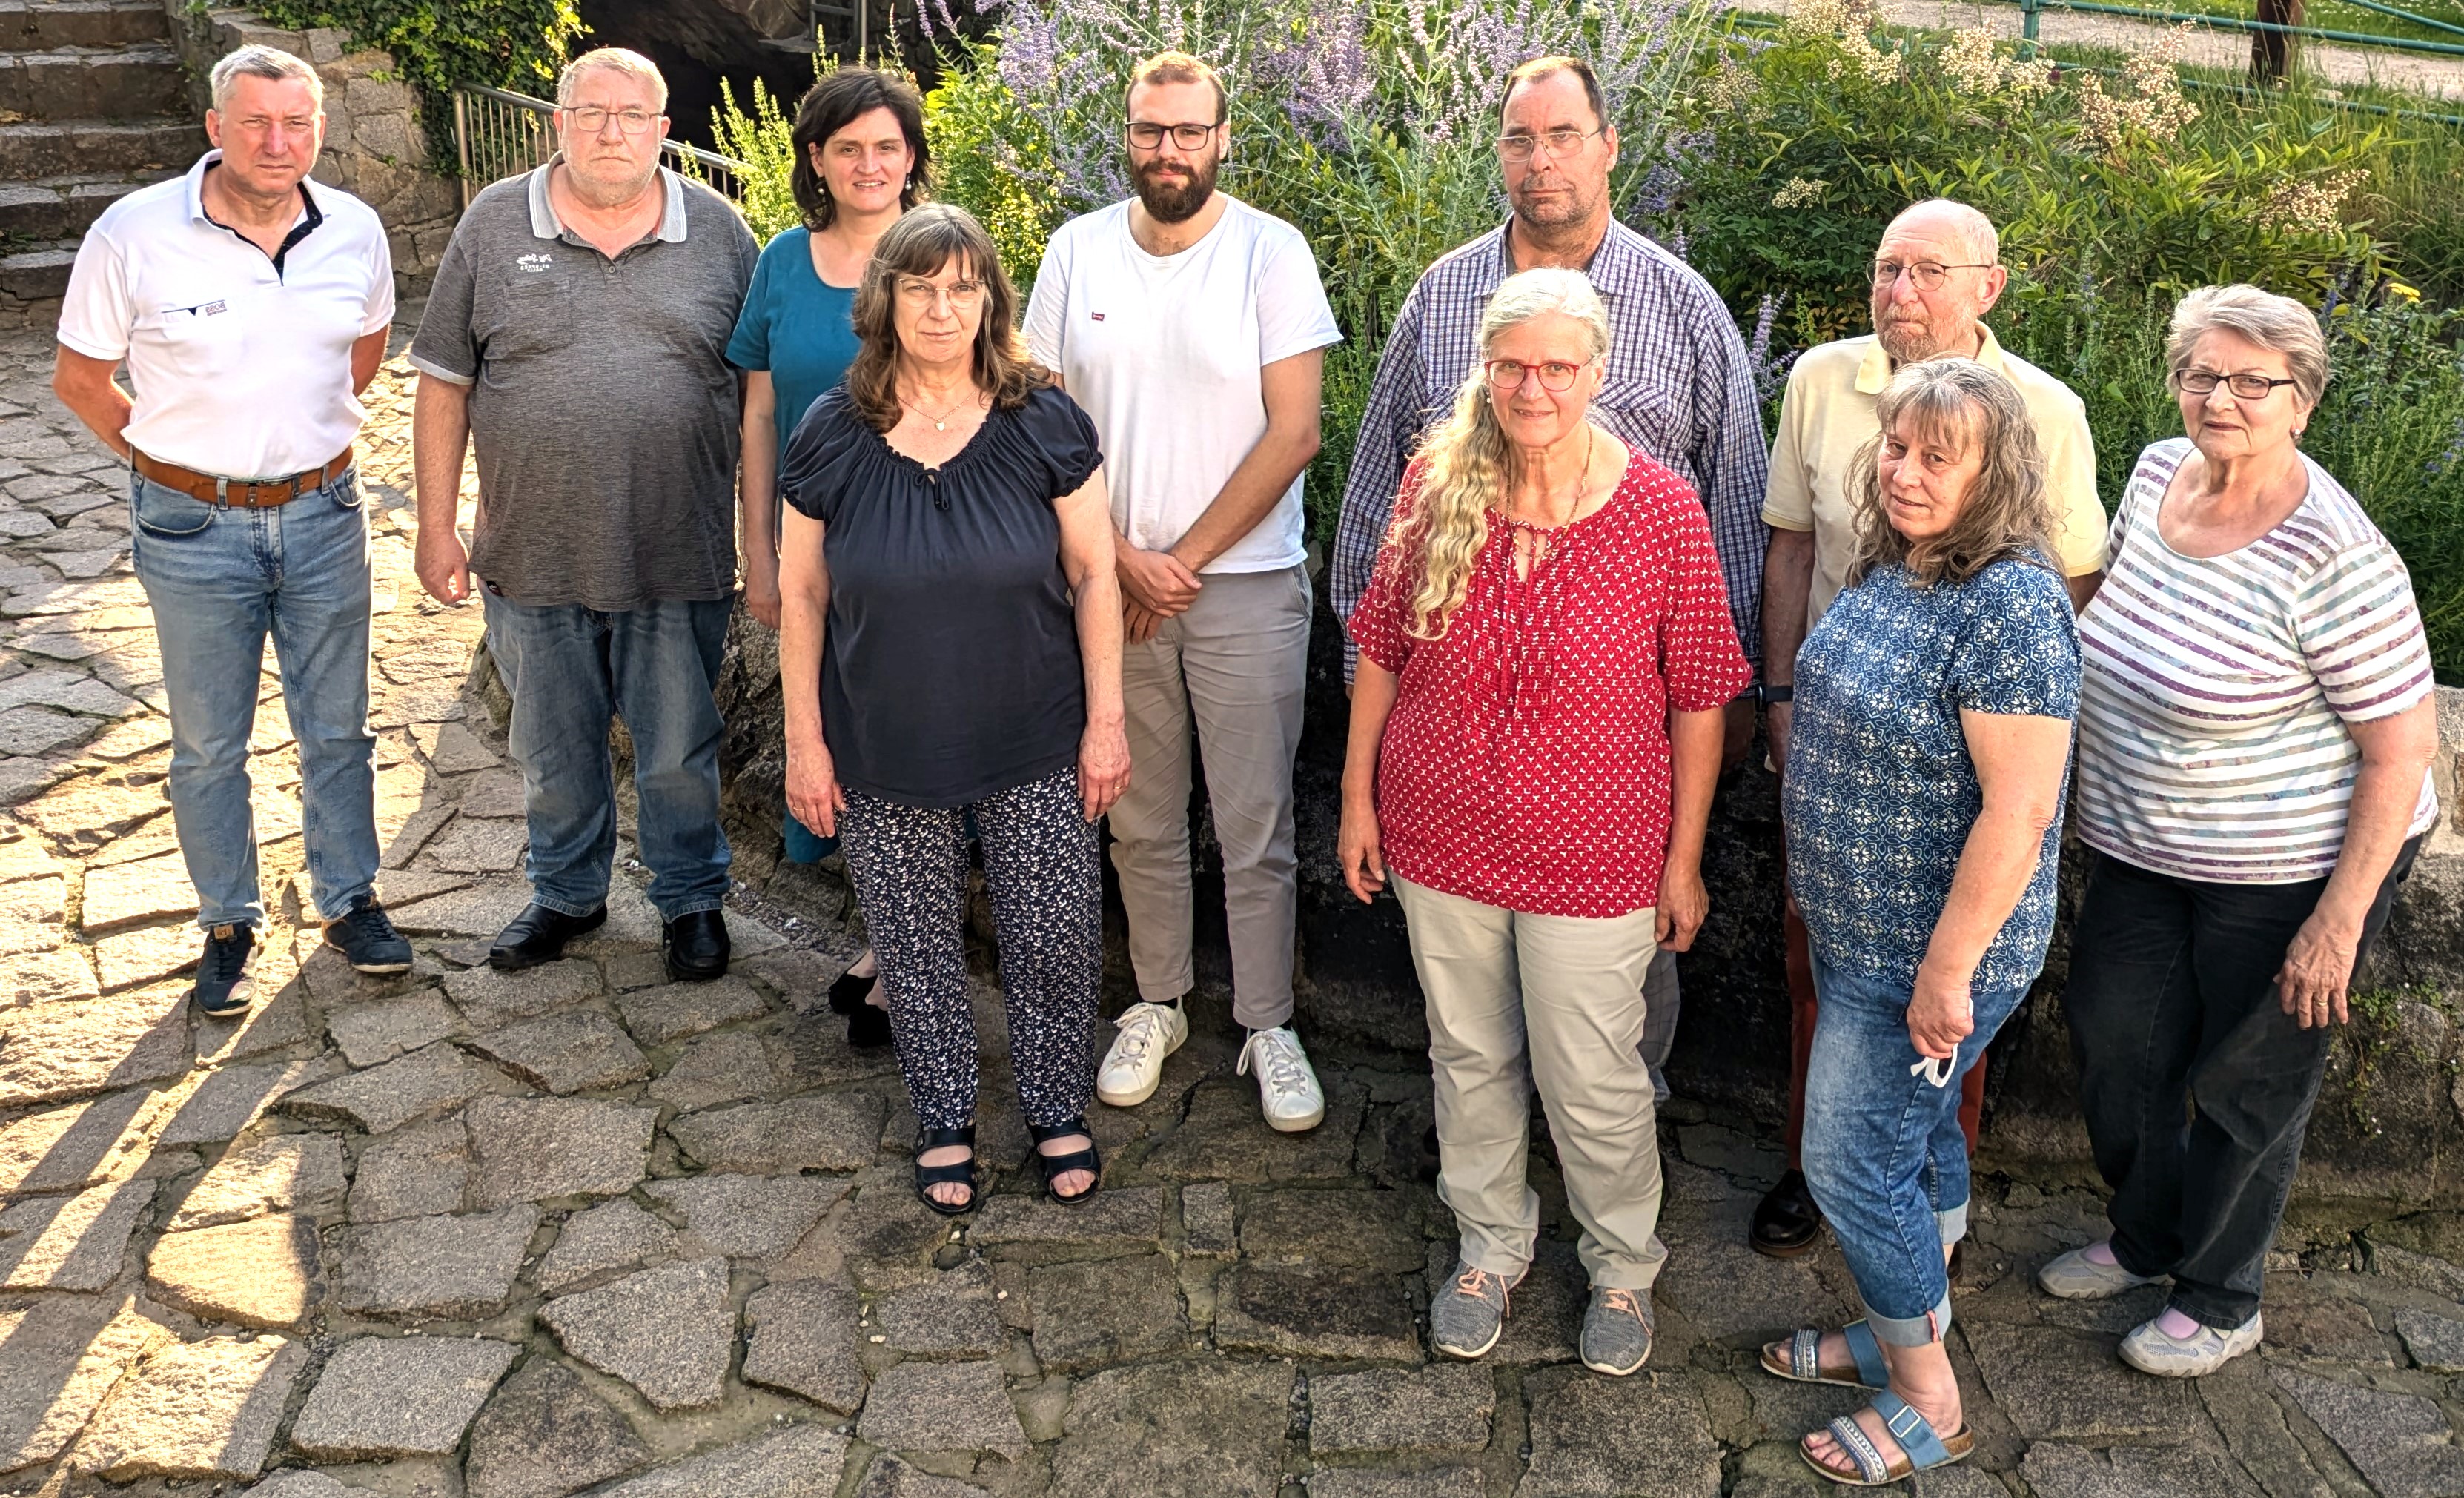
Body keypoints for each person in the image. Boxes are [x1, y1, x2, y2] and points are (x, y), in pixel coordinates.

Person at [1330, 53, 1770, 1104]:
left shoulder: (1685, 308)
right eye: (1521, 139)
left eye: (1564, 134)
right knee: (1472, 1026)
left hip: (1618, 756)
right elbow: (1373, 506)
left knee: (1616, 1022)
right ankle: (1492, 1172)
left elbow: (1739, 511)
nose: (1543, 161)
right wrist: (1363, 703)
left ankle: (1615, 1147)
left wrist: (1733, 702)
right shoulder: (1445, 299)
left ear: (1609, 146)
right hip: (1458, 745)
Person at [1340, 269, 1749, 1377]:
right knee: (1467, 1052)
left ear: (1598, 372)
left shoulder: (1661, 509)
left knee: (1593, 1073)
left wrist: (1685, 860)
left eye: (1559, 366)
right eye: (1514, 364)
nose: (1534, 387)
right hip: (1439, 828)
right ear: (1488, 366)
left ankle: (1621, 1264)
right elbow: (1381, 644)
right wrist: (1356, 798)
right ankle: (1490, 1242)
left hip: (1600, 846)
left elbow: (1701, 693)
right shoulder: (1435, 481)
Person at [2041, 285, 2439, 1377]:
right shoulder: (2157, 471)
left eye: (2253, 381)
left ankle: (2221, 1294)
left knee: (2245, 1081)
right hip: (2145, 843)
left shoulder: (2335, 555)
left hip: (2291, 866)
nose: (2222, 397)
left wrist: (2338, 923)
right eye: (2202, 373)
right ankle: (2145, 1238)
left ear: (2301, 402)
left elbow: (2403, 752)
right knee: (2117, 1044)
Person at [1749, 198, 2109, 1260]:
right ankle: (1825, 1167)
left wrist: (1992, 727)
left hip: (1948, 794)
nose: (1901, 291)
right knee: (1816, 977)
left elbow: (2068, 594)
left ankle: (1894, 1211)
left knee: (1936, 1026)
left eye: (1930, 271)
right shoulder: (1822, 380)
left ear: (1987, 286)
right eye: (1887, 267)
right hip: (1833, 746)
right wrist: (1780, 707)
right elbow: (1792, 550)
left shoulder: (2046, 411)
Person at [1758, 357, 2078, 1485]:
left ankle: (1930, 1400)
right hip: (1860, 933)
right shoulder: (1906, 567)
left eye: (1939, 457)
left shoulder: (2013, 601)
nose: (1905, 471)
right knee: (1922, 1143)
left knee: (1848, 1162)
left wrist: (1946, 974)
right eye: (1897, 447)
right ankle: (1911, 1330)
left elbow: (2022, 809)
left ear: (1995, 475)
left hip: (1926, 955)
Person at [777, 204, 1130, 1215]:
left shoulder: (1043, 419)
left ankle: (1058, 1106)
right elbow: (801, 594)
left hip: (1035, 734)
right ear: (884, 297)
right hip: (885, 742)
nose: (943, 307)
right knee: (915, 943)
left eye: (963, 286)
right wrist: (808, 741)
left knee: (1053, 935)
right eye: (921, 285)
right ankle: (945, 1114)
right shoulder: (833, 430)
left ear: (991, 299)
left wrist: (1106, 722)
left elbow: (1096, 573)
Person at [53, 44, 412, 1016]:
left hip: (326, 512)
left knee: (338, 728)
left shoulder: (356, 231)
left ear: (319, 131)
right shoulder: (133, 234)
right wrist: (172, 459)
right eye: (255, 122)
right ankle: (228, 918)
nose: (276, 141)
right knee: (210, 741)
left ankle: (349, 902)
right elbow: (82, 381)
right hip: (189, 526)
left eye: (296, 123)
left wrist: (298, 440)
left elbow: (364, 351)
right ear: (215, 128)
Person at [1024, 51, 1342, 1131]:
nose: (1170, 149)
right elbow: (1046, 427)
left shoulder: (1270, 251)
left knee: (1255, 823)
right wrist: (1120, 559)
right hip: (1109, 584)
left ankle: (1266, 1024)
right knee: (1141, 816)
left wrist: (1180, 562)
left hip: (1243, 585)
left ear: (1222, 139)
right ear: (1128, 134)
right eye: (1152, 130)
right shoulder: (1076, 252)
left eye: (1189, 131)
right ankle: (1155, 1002)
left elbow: (1294, 430)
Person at [410, 49, 758, 984]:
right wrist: (435, 524)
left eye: (632, 114)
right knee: (553, 747)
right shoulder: (492, 225)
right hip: (533, 549)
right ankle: (567, 893)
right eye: (591, 111)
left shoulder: (722, 232)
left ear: (664, 128)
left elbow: (759, 396)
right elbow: (444, 380)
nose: (612, 130)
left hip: (677, 549)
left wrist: (761, 541)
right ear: (557, 122)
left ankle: (690, 900)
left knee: (681, 747)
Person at [729, 65, 930, 1049]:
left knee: (918, 758)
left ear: (911, 158)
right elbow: (760, 414)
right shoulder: (780, 261)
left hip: (929, 562)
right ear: (815, 157)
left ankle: (898, 961)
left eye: (887, 146)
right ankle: (891, 941)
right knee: (840, 755)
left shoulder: (941, 253)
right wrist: (758, 554)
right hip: (818, 558)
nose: (869, 165)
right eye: (848, 147)